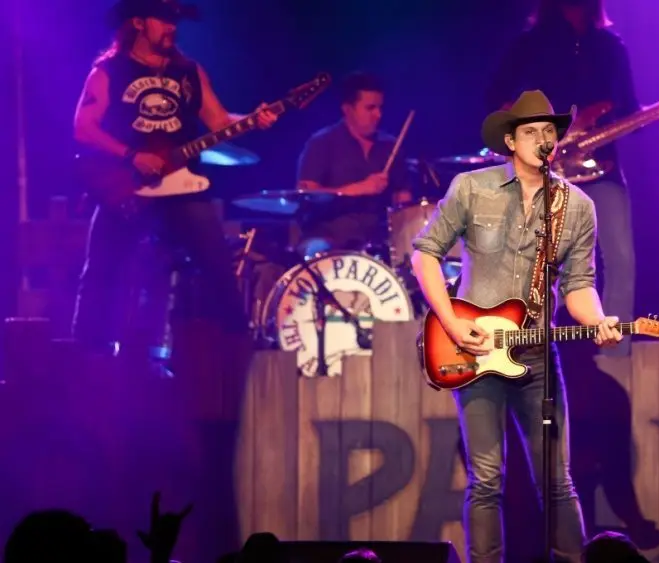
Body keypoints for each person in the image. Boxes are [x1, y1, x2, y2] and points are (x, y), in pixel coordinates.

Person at [411, 89, 622, 563]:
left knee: (557, 480)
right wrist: (451, 322)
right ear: (510, 140)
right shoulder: (472, 188)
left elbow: (579, 285)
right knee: (487, 479)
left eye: (549, 131)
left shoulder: (577, 206)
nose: (542, 139)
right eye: (531, 132)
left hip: (537, 357)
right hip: (474, 351)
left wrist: (597, 320)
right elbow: (425, 254)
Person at [486, 0, 659, 357]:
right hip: (547, 172)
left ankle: (615, 355)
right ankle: (538, 353)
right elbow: (496, 100)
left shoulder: (610, 46)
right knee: (544, 266)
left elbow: (630, 115)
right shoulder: (529, 44)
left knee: (621, 260)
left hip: (602, 169)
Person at [71, 0, 278, 357]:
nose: (172, 27)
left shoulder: (188, 71)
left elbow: (218, 122)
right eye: (164, 19)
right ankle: (85, 357)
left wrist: (253, 119)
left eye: (175, 20)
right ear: (138, 22)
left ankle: (236, 355)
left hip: (182, 186)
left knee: (218, 268)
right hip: (127, 187)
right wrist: (132, 155)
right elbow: (83, 128)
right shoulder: (108, 71)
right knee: (101, 273)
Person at [296, 72, 412, 256]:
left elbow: (402, 199)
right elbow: (306, 195)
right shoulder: (322, 143)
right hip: (328, 239)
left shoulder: (390, 146)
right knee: (316, 247)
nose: (378, 115)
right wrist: (357, 189)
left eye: (380, 108)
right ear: (348, 109)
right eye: (370, 108)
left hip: (377, 243)